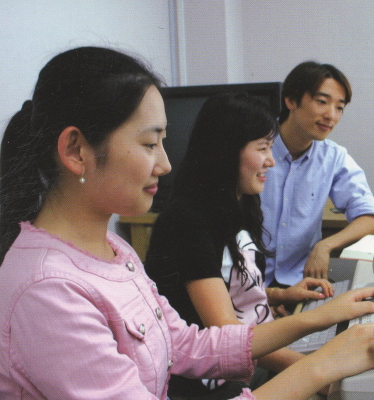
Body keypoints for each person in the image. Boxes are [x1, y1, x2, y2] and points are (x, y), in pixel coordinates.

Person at [0, 46, 374, 400]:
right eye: (149, 143)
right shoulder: (48, 291)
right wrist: (321, 367)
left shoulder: (114, 250)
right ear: (76, 150)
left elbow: (184, 344)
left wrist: (320, 317)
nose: (165, 164)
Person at [145, 92, 341, 398]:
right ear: (226, 150)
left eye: (271, 147)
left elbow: (227, 285)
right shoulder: (186, 221)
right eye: (262, 148)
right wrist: (315, 370)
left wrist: (279, 294)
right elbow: (228, 336)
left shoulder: (239, 204)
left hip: (254, 360)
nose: (271, 161)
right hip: (217, 384)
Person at [260, 61, 374, 287]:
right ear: (291, 101)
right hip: (247, 285)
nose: (331, 115)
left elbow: (371, 218)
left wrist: (325, 246)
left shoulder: (333, 157)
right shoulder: (254, 149)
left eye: (339, 107)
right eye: (322, 102)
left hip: (301, 282)